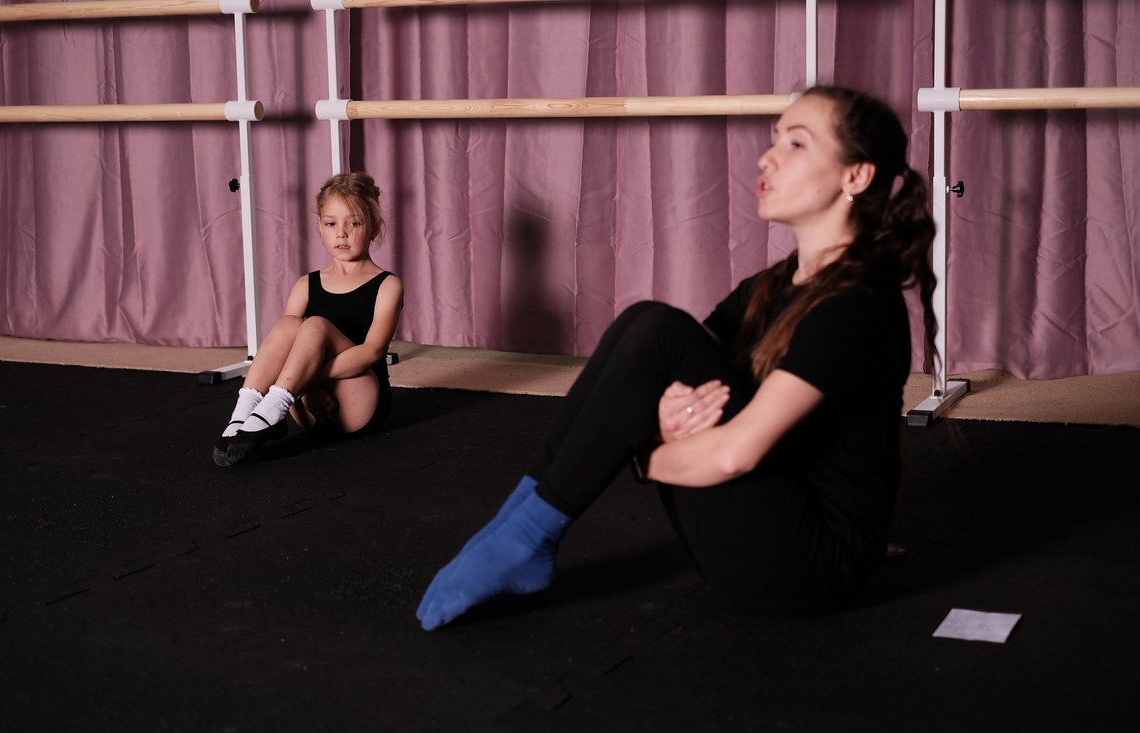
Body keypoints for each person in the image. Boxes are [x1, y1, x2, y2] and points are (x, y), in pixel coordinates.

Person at [416, 85, 938, 630]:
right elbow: (650, 371)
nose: (767, 157)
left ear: (856, 176)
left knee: (657, 329)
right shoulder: (771, 286)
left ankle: (527, 534)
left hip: (807, 570)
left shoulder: (856, 305)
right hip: (760, 541)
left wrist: (645, 455)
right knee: (644, 324)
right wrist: (663, 411)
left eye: (797, 143)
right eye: (774, 139)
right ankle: (516, 527)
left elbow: (734, 454)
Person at [213, 171, 404, 466]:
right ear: (320, 228)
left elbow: (373, 351)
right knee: (289, 324)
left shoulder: (388, 284)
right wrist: (307, 389)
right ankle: (244, 412)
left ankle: (274, 404)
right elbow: (282, 349)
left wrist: (308, 381)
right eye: (331, 224)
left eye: (354, 223)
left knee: (314, 324)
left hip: (360, 397)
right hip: (307, 403)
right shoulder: (306, 284)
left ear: (374, 227)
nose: (341, 233)